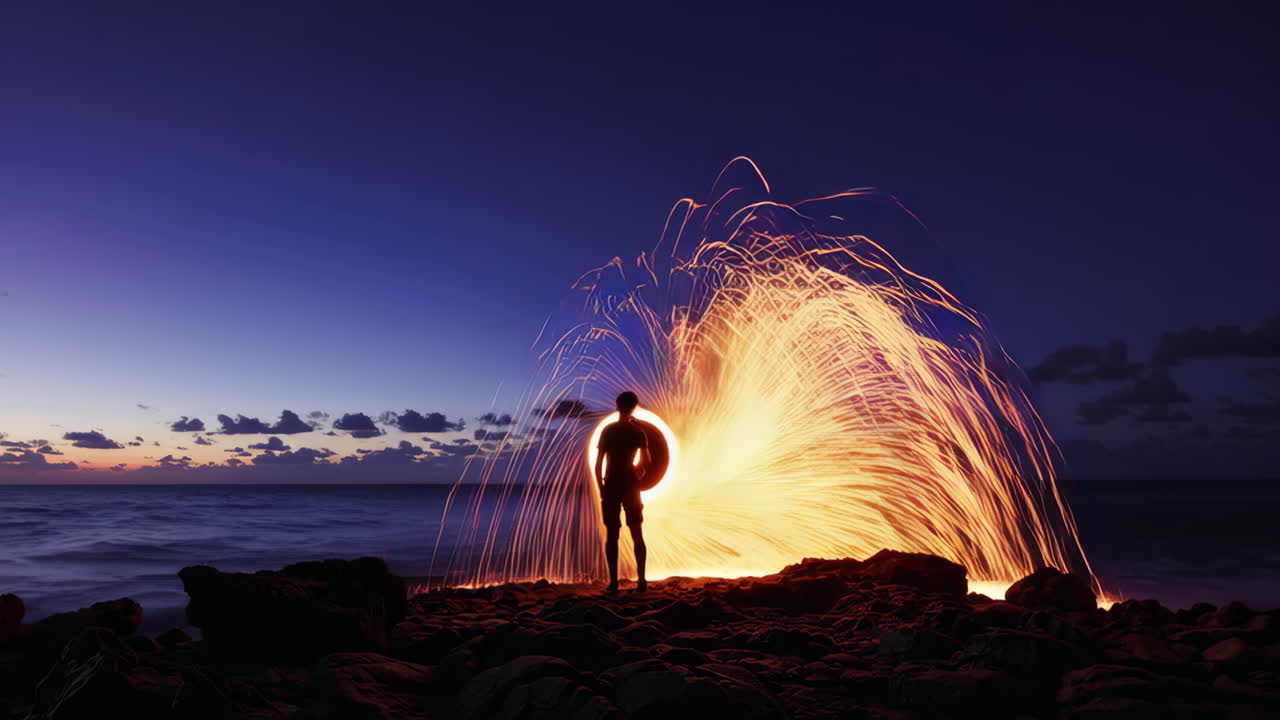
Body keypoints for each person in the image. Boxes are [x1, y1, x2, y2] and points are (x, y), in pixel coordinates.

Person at [594, 390, 651, 593]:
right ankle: (642, 580)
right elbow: (647, 461)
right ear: (634, 407)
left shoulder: (608, 431)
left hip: (611, 486)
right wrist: (638, 474)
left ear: (617, 406)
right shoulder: (638, 432)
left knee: (612, 535)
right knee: (637, 533)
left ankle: (613, 582)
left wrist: (601, 488)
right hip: (630, 486)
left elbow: (598, 464)